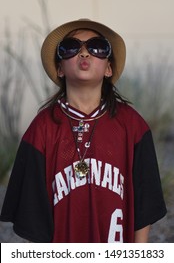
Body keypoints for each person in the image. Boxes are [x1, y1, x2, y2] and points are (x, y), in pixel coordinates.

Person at [0, 19, 167, 243]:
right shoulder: (42, 129)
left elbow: (145, 208)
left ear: (108, 68)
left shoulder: (132, 126)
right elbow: (34, 219)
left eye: (97, 47)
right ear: (60, 68)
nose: (84, 53)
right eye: (70, 47)